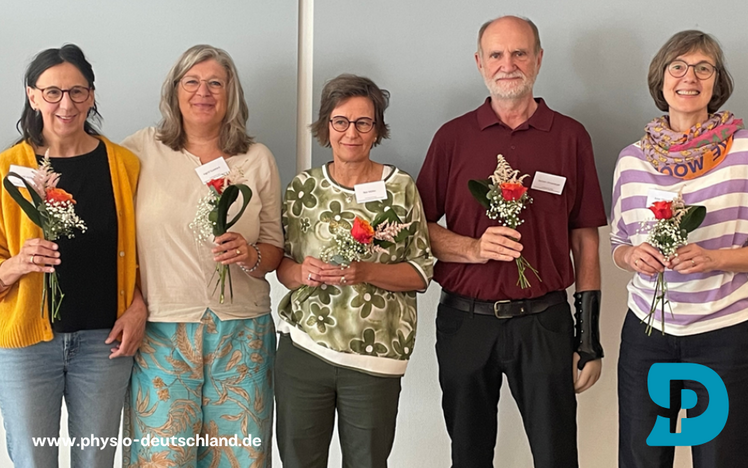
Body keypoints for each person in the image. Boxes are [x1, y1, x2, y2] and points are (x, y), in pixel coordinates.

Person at [416, 16, 607, 468]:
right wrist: (472, 249)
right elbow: (416, 228)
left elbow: (585, 241)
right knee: (468, 455)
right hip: (466, 322)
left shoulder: (570, 136)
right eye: (497, 54)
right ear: (479, 62)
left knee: (557, 455)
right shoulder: (452, 137)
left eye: (519, 53)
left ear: (538, 60)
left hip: (544, 323)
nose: (508, 64)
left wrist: (589, 338)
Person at [121, 45, 284, 468]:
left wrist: (249, 255)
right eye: (191, 81)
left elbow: (273, 249)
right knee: (161, 457)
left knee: (240, 457)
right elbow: (115, 240)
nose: (203, 92)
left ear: (231, 93)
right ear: (174, 90)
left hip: (242, 333)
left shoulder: (257, 158)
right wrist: (132, 301)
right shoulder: (139, 151)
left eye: (215, 83)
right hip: (161, 332)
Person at [275, 74, 433, 468]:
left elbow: (421, 272)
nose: (351, 133)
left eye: (363, 123)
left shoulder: (400, 187)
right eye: (341, 121)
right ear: (326, 125)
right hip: (304, 351)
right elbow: (283, 267)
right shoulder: (302, 188)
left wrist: (367, 272)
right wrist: (302, 273)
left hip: (373, 360)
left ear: (377, 129)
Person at [0, 44, 144, 467]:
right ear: (32, 96)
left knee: (95, 460)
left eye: (78, 92)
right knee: (33, 459)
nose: (66, 104)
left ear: (92, 95)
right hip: (27, 347)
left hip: (105, 344)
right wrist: (17, 264)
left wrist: (139, 306)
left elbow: (146, 253)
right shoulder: (7, 170)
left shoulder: (125, 166)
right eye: (53, 92)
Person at [610, 30, 748, 468]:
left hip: (722, 337)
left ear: (717, 81)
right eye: (678, 67)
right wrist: (631, 257)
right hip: (648, 337)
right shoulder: (631, 159)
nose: (690, 77)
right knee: (643, 458)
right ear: (662, 78)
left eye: (703, 68)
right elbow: (619, 243)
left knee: (719, 459)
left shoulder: (744, 153)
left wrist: (716, 259)